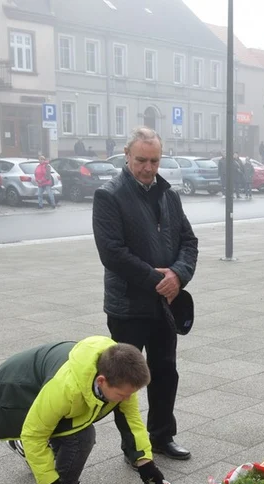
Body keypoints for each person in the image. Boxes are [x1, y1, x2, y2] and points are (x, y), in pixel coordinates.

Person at [92, 127, 199, 462]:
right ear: (127, 155)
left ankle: (163, 436)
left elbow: (189, 242)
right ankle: (133, 446)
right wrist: (158, 278)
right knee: (125, 379)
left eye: (154, 160)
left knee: (165, 371)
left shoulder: (169, 194)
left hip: (164, 304)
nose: (148, 168)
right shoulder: (110, 195)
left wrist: (178, 276)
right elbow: (112, 253)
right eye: (141, 160)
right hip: (127, 306)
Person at [0, 338, 165, 484]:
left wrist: (145, 463)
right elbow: (34, 433)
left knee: (71, 429)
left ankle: (28, 450)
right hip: (15, 390)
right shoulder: (64, 388)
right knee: (80, 437)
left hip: (46, 385)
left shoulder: (120, 376)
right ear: (101, 381)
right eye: (122, 395)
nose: (127, 399)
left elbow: (131, 419)